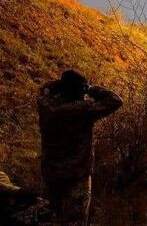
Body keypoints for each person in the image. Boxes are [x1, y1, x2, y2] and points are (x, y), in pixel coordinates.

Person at [37, 69, 123, 226]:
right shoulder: (83, 110)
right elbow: (115, 100)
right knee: (75, 220)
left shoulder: (45, 106)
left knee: (51, 219)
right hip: (77, 175)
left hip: (51, 174)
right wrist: (91, 89)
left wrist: (58, 85)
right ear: (80, 90)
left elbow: (43, 89)